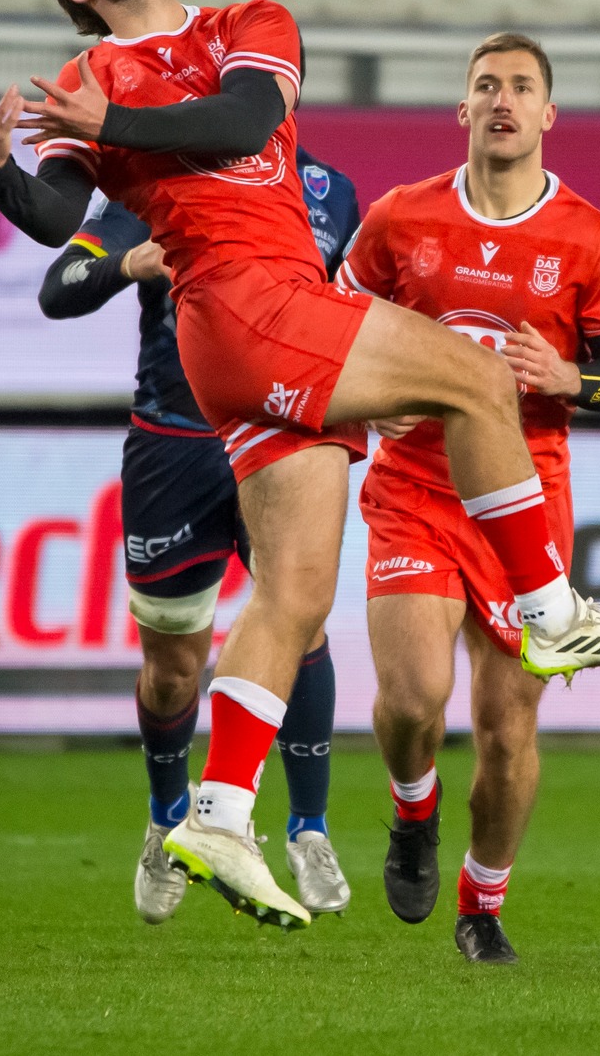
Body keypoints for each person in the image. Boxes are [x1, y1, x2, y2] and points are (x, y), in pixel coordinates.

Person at [0, 0, 600, 933]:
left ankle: (221, 811)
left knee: (291, 593)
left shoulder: (247, 23)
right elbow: (58, 215)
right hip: (249, 301)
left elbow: (245, 117)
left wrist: (119, 117)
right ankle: (550, 612)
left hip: (236, 337)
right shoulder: (84, 77)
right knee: (475, 377)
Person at [337, 33, 600, 965]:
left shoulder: (591, 236)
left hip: (528, 499)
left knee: (511, 726)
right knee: (413, 698)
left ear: (550, 113)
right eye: (486, 85)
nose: (503, 99)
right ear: (461, 108)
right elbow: (336, 328)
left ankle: (481, 905)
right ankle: (411, 810)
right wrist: (375, 399)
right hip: (416, 488)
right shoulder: (400, 218)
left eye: (522, 86)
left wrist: (572, 378)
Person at [36, 147, 361, 924]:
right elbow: (59, 288)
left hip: (283, 433)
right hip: (173, 445)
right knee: (174, 663)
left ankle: (308, 829)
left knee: (300, 619)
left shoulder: (333, 193)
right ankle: (165, 813)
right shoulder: (157, 184)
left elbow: (359, 311)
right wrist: (130, 264)